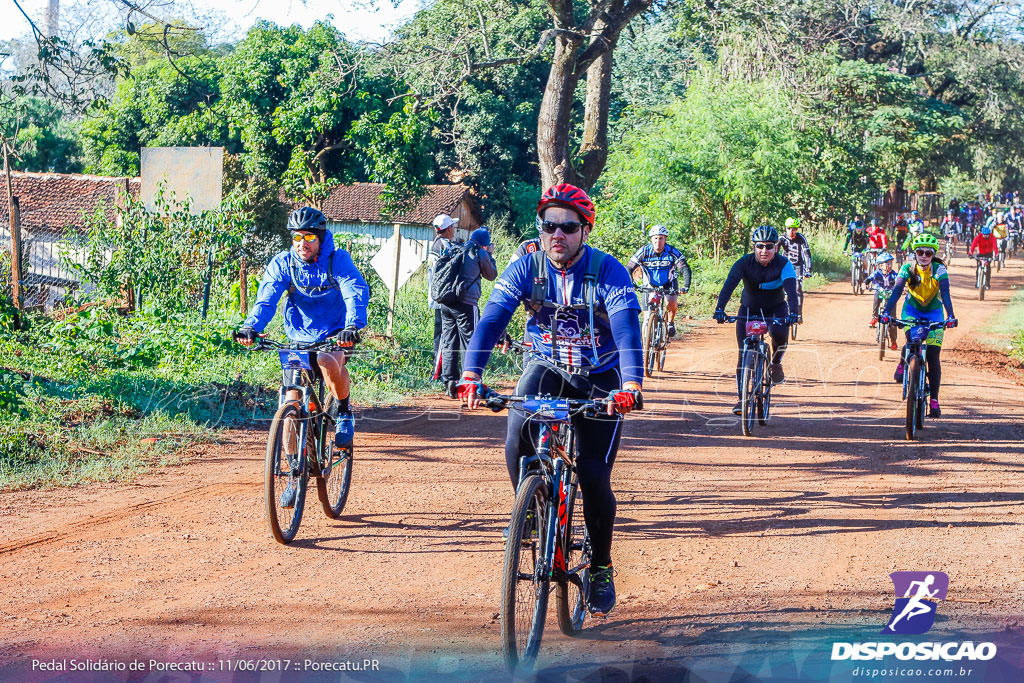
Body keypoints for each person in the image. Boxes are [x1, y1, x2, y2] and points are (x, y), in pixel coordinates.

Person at [457, 183, 643, 618]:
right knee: (515, 431)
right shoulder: (527, 269)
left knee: (594, 474)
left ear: (585, 230)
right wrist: (471, 375)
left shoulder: (609, 271)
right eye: (548, 226)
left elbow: (627, 332)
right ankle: (533, 507)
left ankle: (599, 566)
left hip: (599, 378)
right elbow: (491, 318)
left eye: (568, 227)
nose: (557, 234)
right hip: (545, 367)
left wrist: (630, 385)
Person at [236, 207, 369, 506]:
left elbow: (354, 291)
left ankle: (344, 410)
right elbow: (267, 298)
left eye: (309, 237)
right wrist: (251, 327)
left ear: (321, 239)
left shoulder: (338, 260)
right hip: (298, 336)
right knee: (289, 404)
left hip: (335, 333)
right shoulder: (284, 264)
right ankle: (295, 473)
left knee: (326, 360)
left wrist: (352, 326)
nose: (302, 243)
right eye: (297, 237)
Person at [713, 225, 800, 415]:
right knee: (743, 353)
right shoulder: (743, 263)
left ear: (776, 247)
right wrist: (719, 309)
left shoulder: (784, 264)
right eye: (760, 246)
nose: (764, 250)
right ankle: (741, 399)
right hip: (749, 309)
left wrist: (794, 313)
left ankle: (775, 364)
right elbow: (729, 286)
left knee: (779, 334)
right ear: (754, 247)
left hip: (776, 308)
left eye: (769, 246)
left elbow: (792, 292)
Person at [879, 233, 957, 418]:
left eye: (928, 253)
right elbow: (897, 291)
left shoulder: (939, 270)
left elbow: (945, 293)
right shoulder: (907, 268)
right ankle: (902, 363)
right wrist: (886, 313)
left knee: (932, 355)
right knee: (912, 341)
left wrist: (951, 315)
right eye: (920, 252)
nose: (923, 256)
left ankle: (935, 401)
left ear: (933, 255)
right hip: (912, 309)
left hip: (934, 312)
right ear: (915, 253)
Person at [435, 223, 498, 398]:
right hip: (467, 304)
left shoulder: (458, 248)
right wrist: (490, 256)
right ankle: (469, 383)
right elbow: (491, 275)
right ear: (484, 243)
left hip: (446, 303)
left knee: (449, 341)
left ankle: (450, 384)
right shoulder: (480, 253)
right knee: (471, 342)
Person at [625, 224, 692, 337]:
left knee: (671, 303)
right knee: (647, 317)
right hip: (650, 284)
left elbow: (684, 268)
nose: (658, 241)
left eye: (661, 238)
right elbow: (629, 267)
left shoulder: (672, 251)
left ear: (665, 239)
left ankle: (670, 323)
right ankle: (646, 345)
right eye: (655, 238)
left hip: (669, 282)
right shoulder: (644, 251)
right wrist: (631, 283)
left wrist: (686, 286)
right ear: (651, 239)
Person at [429, 213, 459, 392]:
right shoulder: (440, 247)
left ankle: (443, 373)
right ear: (448, 229)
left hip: (443, 297)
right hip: (441, 299)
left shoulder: (444, 245)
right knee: (441, 338)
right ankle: (436, 374)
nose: (454, 230)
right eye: (452, 227)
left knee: (445, 337)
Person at [777, 217, 812, 323]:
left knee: (797, 288)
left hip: (798, 266)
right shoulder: (782, 238)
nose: (791, 231)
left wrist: (808, 270)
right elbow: (774, 251)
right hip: (785, 265)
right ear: (785, 228)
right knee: (779, 288)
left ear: (797, 229)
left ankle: (798, 314)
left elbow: (807, 254)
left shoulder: (801, 238)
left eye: (794, 229)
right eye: (789, 228)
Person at [866, 252, 899, 350]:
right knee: (876, 294)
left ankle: (893, 341)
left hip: (890, 297)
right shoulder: (877, 273)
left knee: (892, 320)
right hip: (880, 293)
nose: (889, 265)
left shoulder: (893, 274)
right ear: (880, 265)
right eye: (886, 263)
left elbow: (899, 280)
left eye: (890, 263)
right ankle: (875, 317)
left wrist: (903, 287)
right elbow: (869, 278)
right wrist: (865, 283)